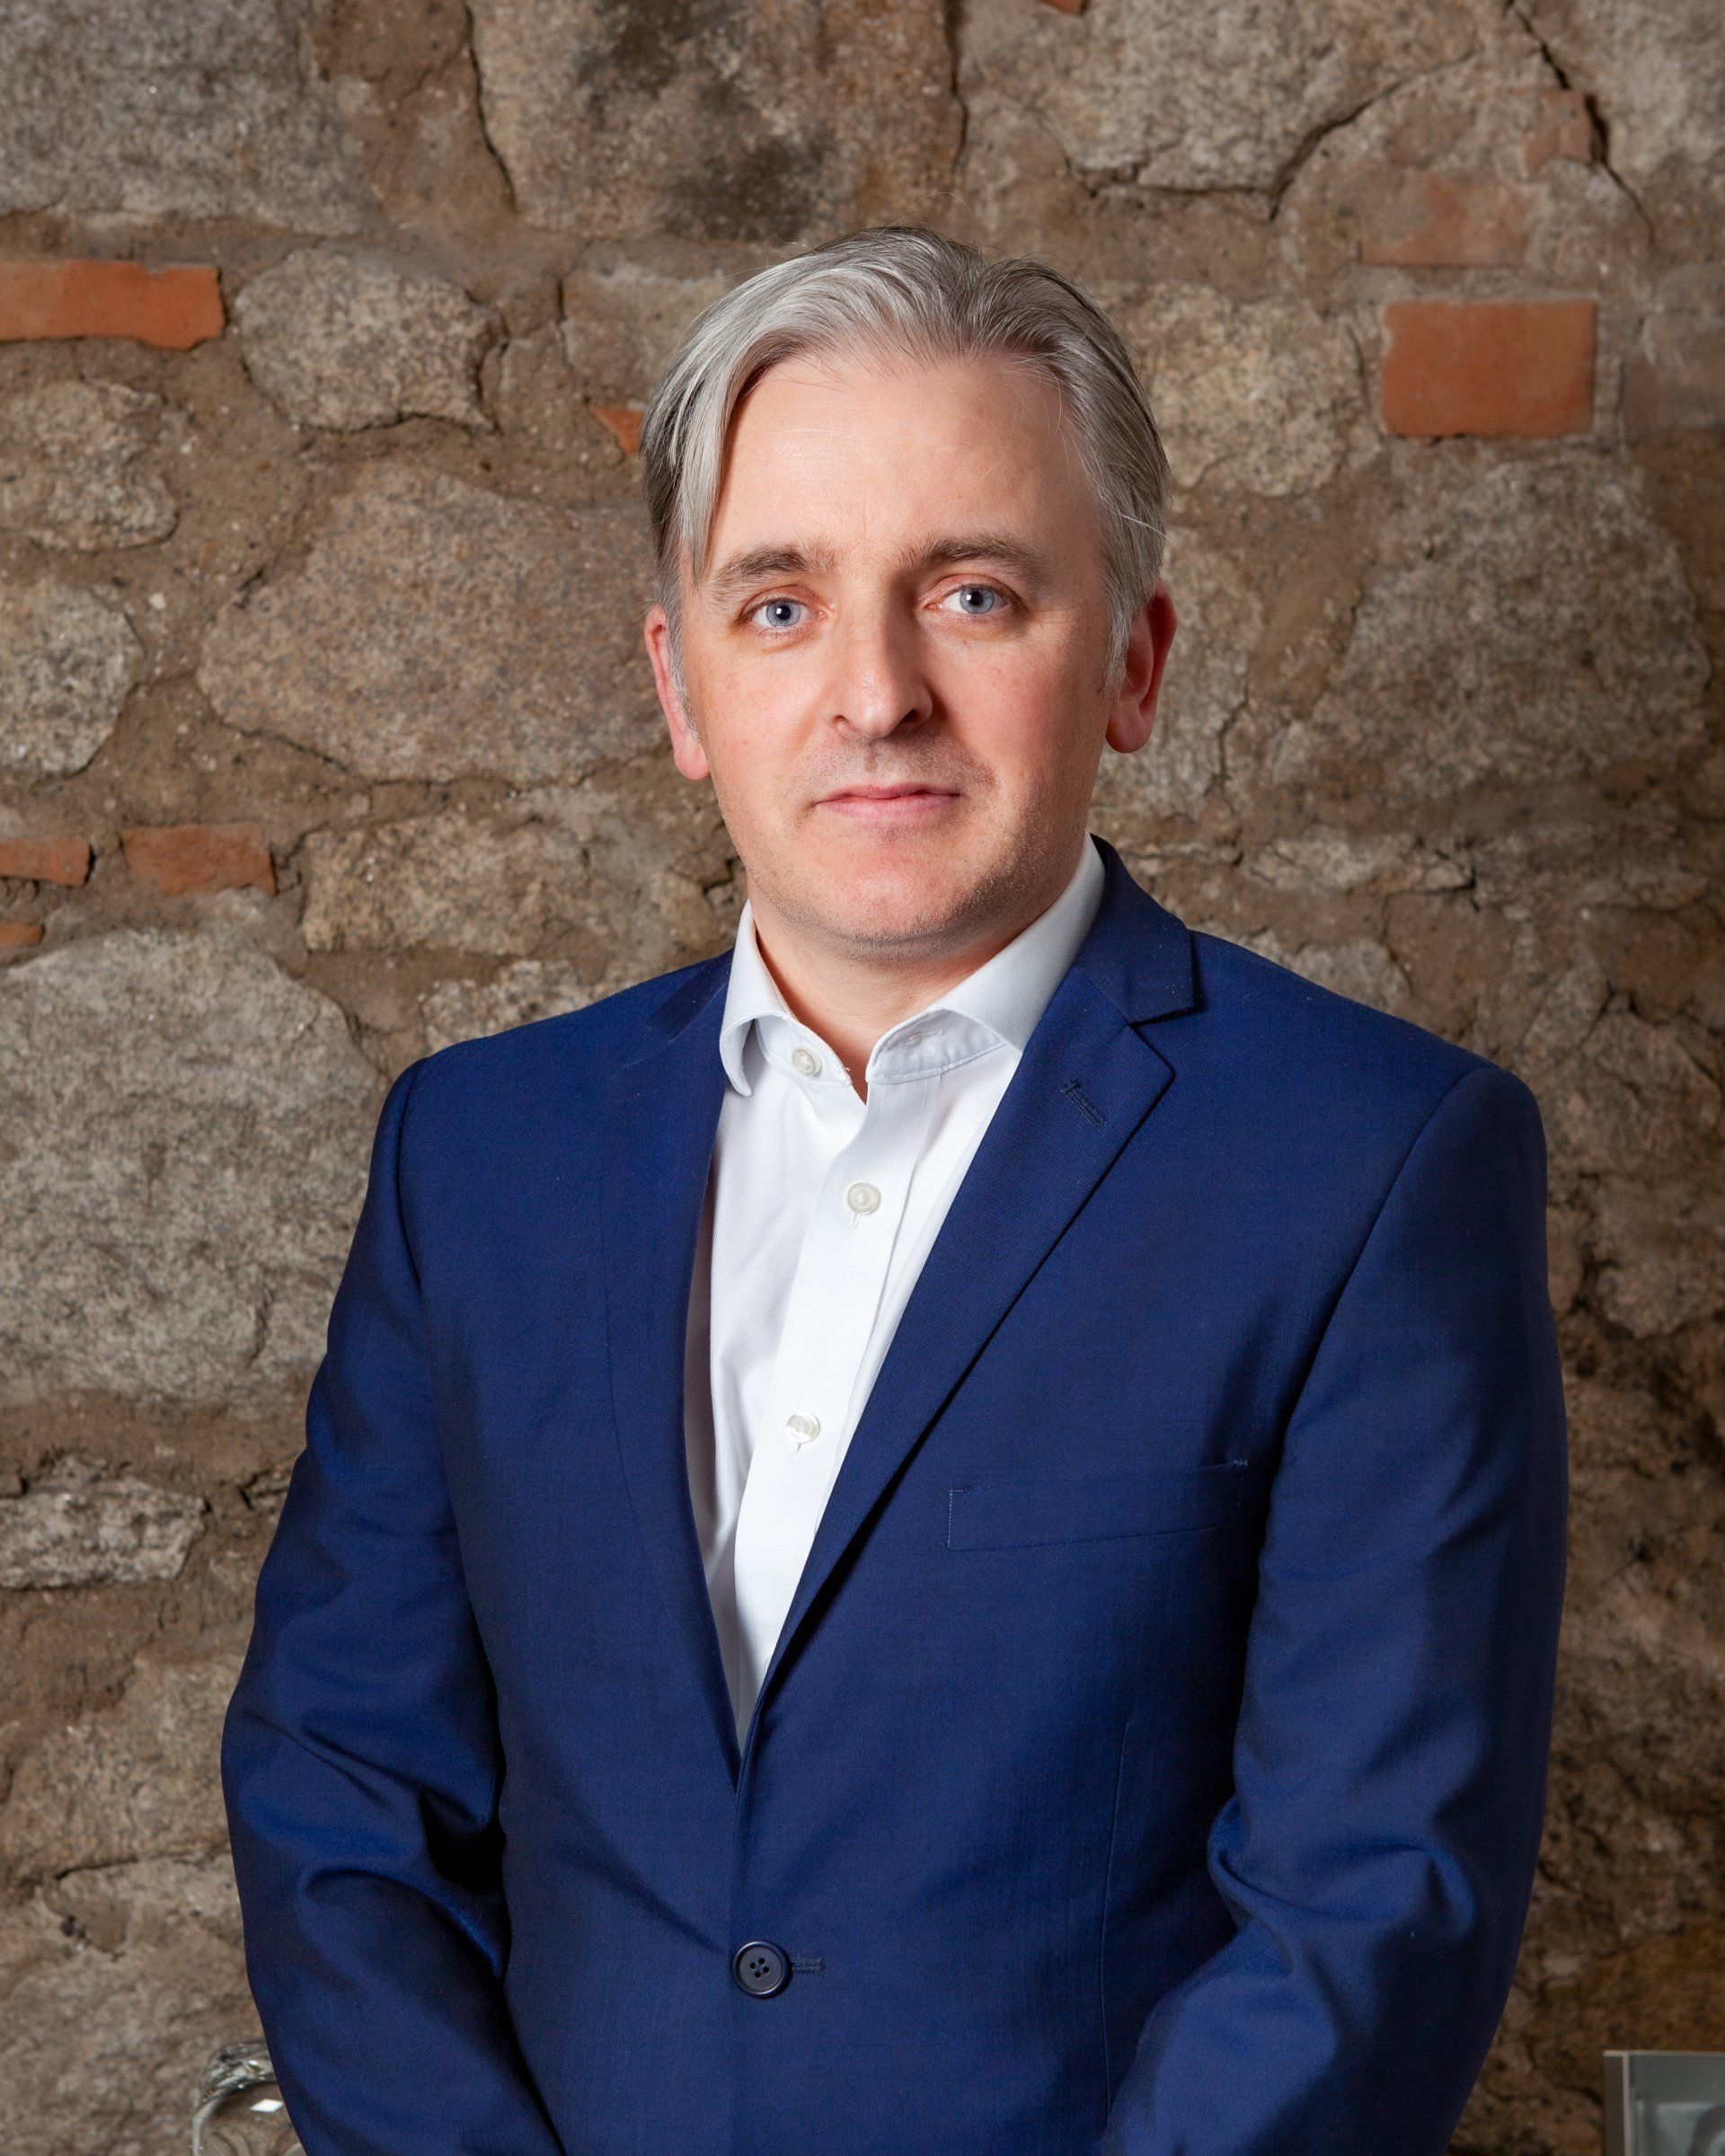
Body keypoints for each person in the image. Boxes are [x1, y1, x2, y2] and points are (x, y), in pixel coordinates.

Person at [220, 224, 1569, 2156]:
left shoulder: (1373, 1167)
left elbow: (1376, 1916)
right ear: (683, 691)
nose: (874, 694)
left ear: (1132, 662)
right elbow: (341, 1790)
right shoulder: (479, 1156)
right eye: (780, 606)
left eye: (974, 593)